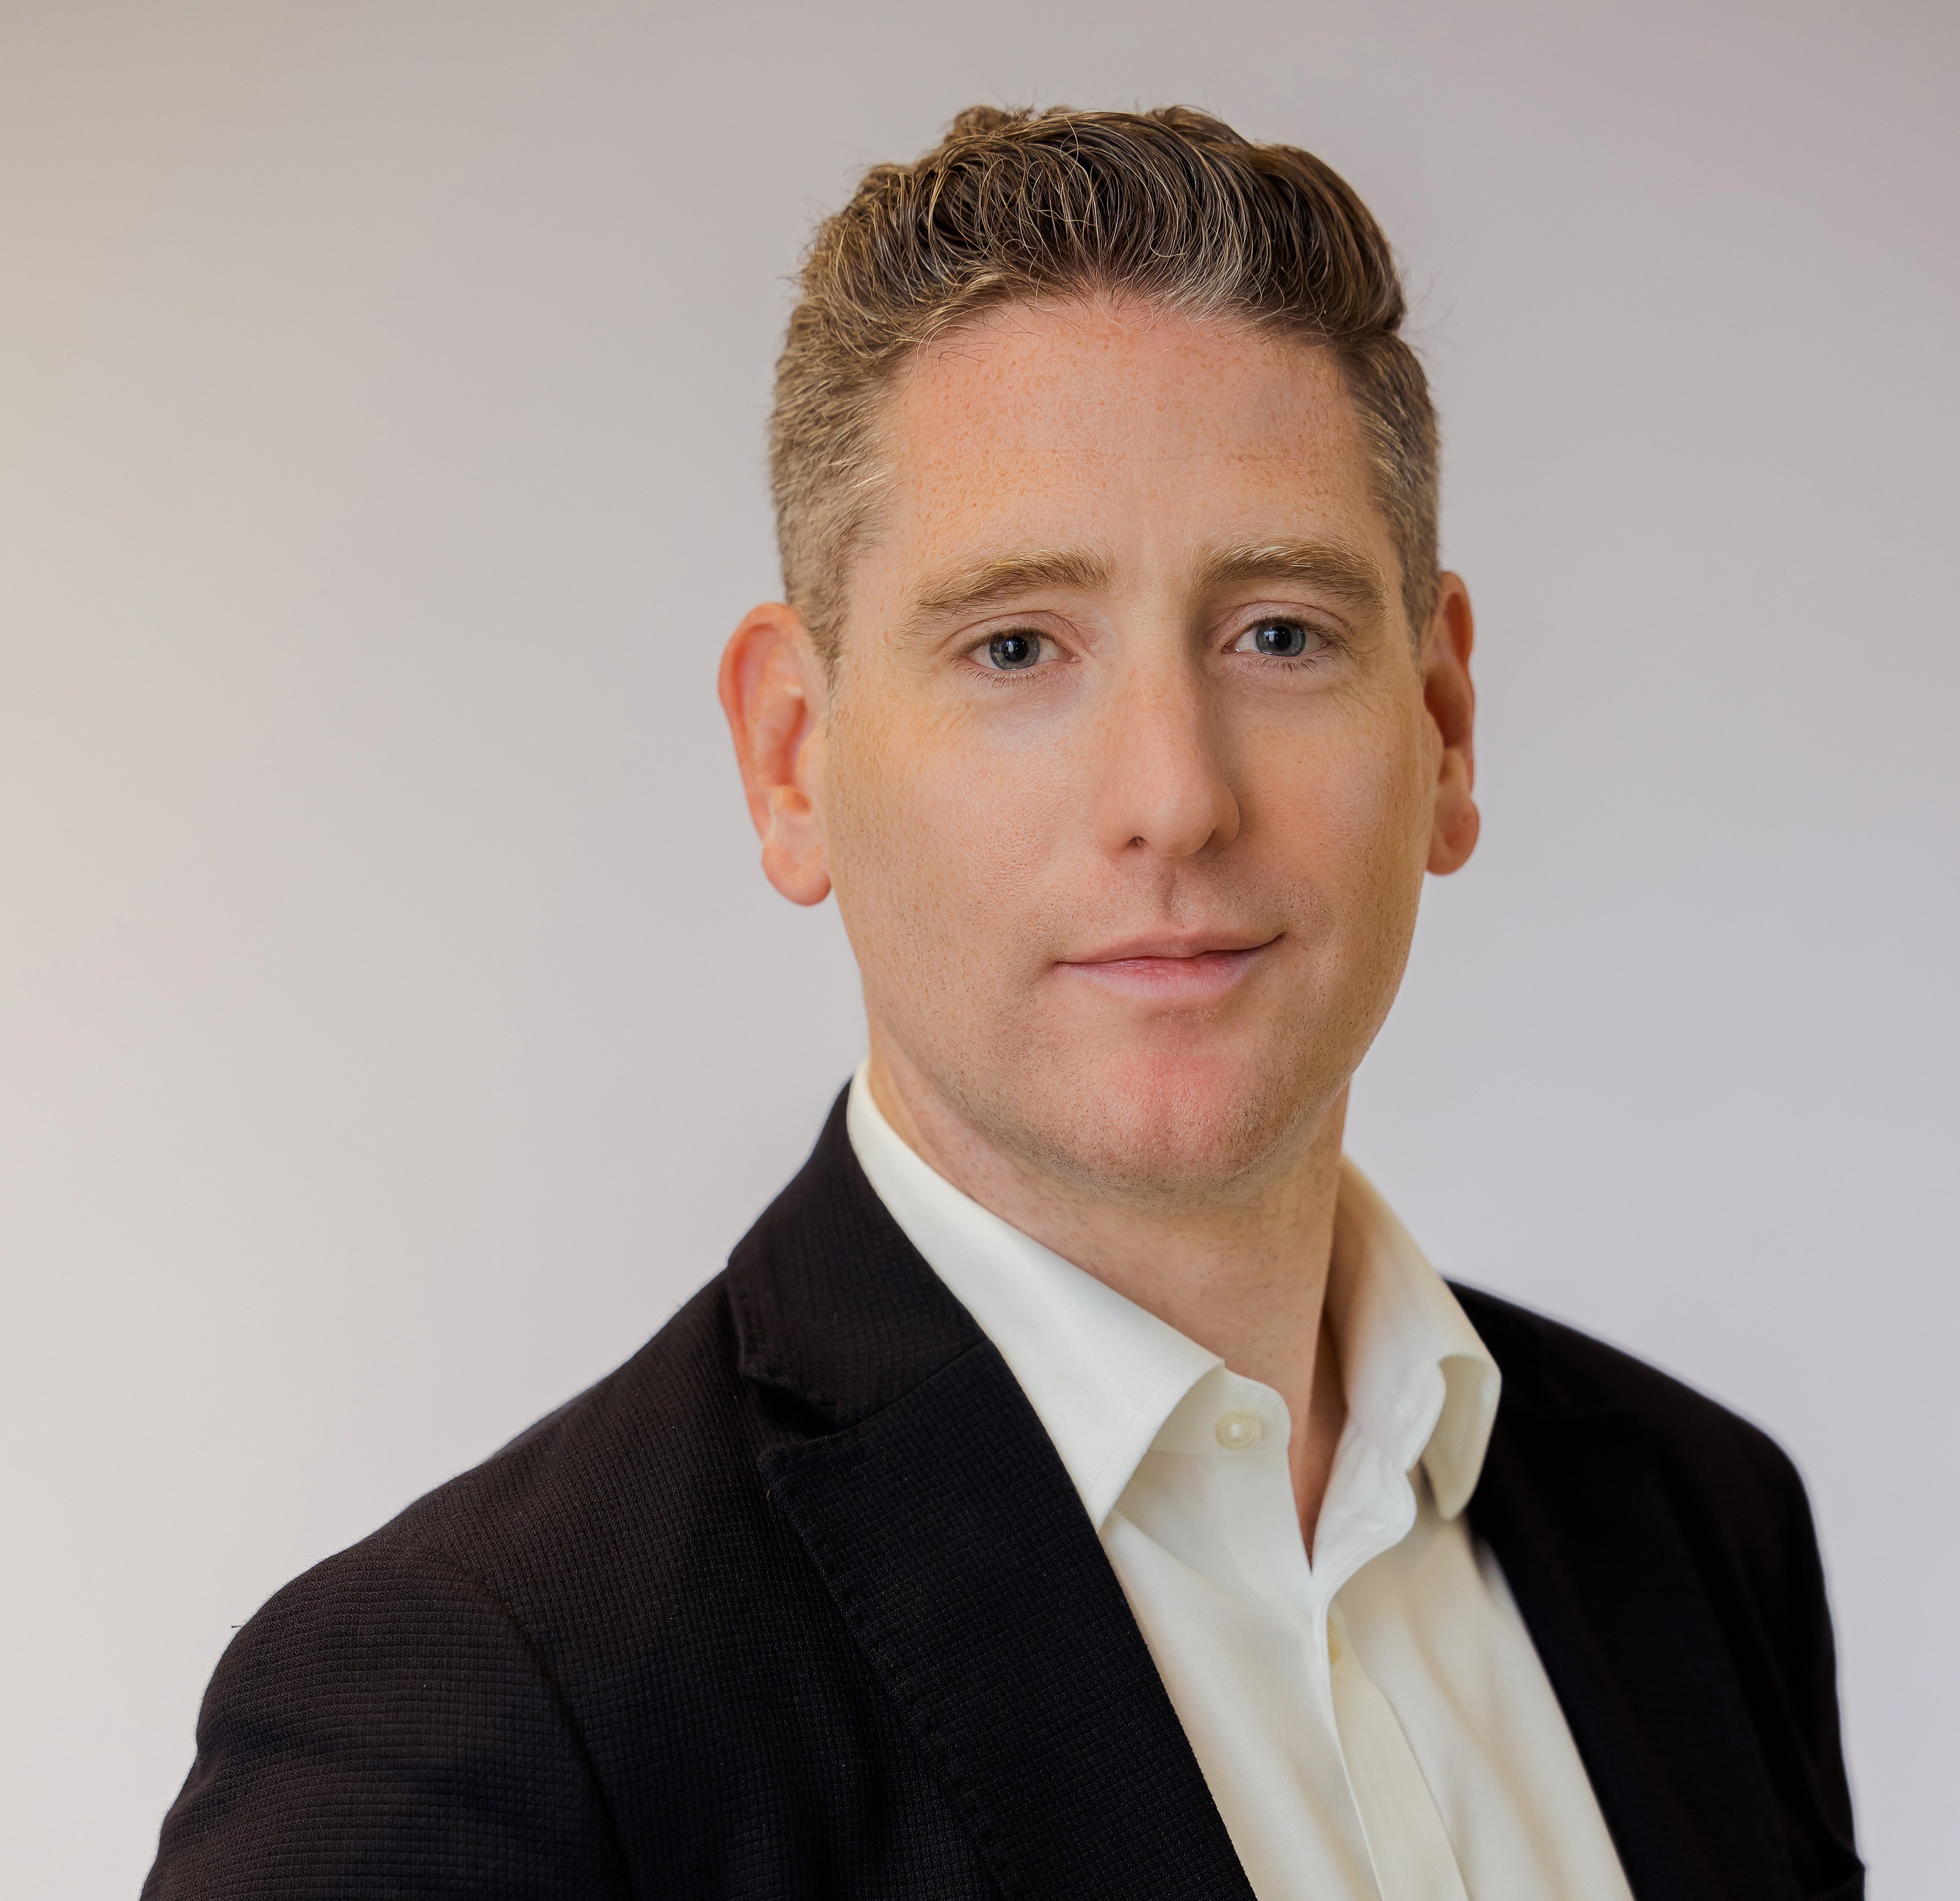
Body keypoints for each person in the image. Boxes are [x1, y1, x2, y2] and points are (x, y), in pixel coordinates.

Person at [145, 106, 1863, 1901]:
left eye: (1279, 632)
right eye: (1018, 645)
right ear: (792, 757)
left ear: (1442, 723)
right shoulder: (479, 1716)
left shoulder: (1698, 1522)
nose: (1173, 798)